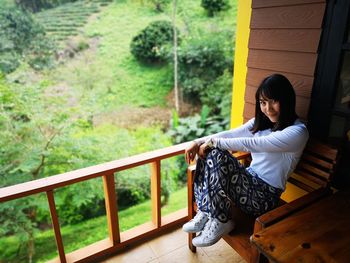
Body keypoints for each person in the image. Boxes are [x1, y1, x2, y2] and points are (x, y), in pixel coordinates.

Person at [182, 74, 309, 247]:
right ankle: (206, 210)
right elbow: (231, 134)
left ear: (286, 100)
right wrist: (197, 143)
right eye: (263, 102)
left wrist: (212, 143)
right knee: (208, 152)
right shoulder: (260, 123)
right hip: (247, 183)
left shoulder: (298, 132)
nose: (268, 108)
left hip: (264, 197)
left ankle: (221, 220)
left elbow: (256, 144)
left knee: (216, 152)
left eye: (273, 101)